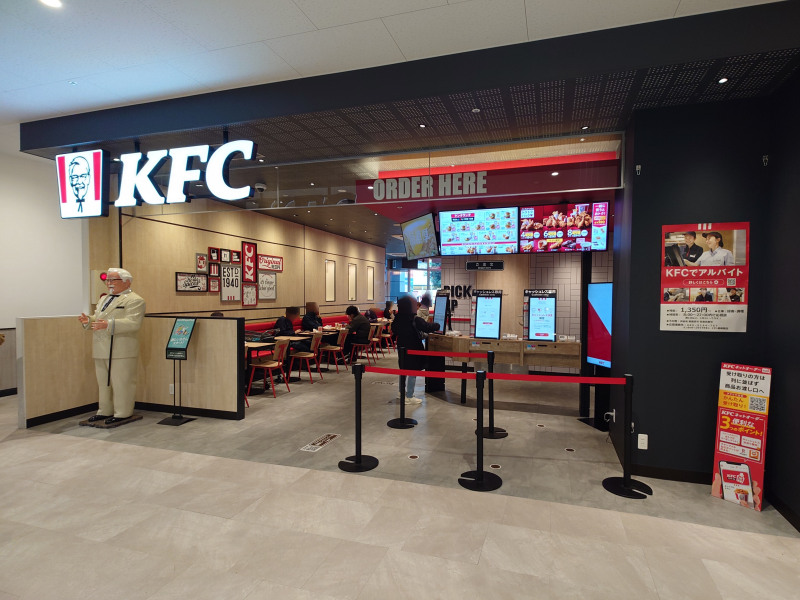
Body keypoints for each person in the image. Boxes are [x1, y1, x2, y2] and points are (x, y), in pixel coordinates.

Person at [78, 268, 145, 425]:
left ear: (126, 281)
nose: (109, 283)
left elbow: (134, 323)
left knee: (122, 382)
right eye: (107, 280)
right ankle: (104, 410)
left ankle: (123, 412)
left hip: (121, 349)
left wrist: (109, 324)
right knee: (103, 383)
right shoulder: (104, 299)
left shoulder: (135, 300)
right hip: (101, 347)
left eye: (112, 280)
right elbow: (99, 317)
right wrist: (89, 320)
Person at [394, 295, 440, 404]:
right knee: (413, 371)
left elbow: (394, 330)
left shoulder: (398, 318)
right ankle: (409, 396)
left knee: (403, 370)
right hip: (413, 348)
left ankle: (401, 392)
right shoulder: (414, 319)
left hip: (401, 348)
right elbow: (427, 327)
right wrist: (438, 325)